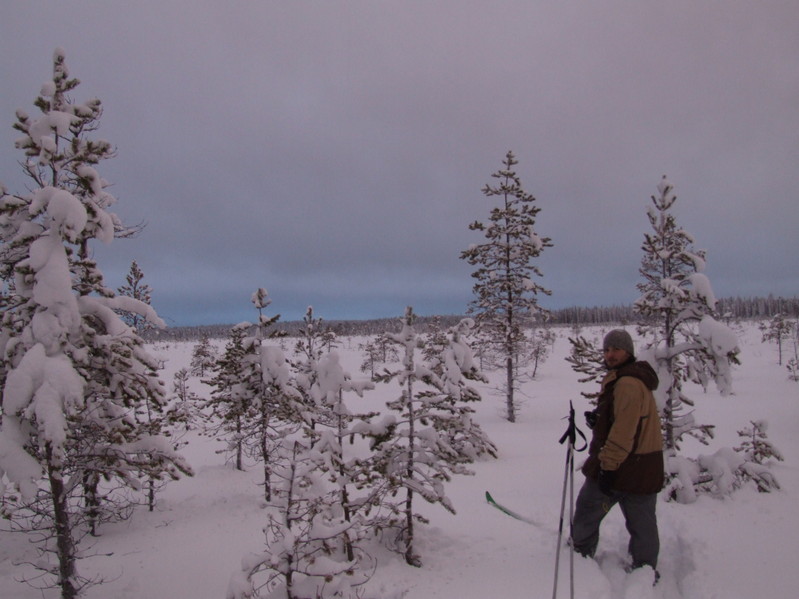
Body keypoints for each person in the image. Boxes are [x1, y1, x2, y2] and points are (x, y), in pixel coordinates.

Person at [571, 329, 664, 578]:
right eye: (607, 349)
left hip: (626, 465)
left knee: (588, 508)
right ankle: (645, 569)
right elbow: (627, 419)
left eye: (616, 350)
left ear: (628, 352)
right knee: (642, 522)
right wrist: (601, 420)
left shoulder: (628, 383)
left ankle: (579, 556)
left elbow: (624, 432)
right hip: (643, 465)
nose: (610, 355)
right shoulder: (627, 377)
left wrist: (608, 468)